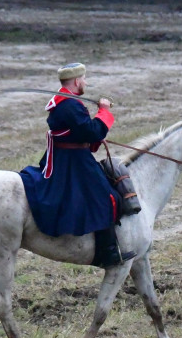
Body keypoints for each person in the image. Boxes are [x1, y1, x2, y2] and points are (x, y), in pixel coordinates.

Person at [19, 62, 135, 268]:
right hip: (72, 161)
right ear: (76, 81)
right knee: (106, 197)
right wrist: (104, 112)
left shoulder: (65, 101)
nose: (86, 83)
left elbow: (80, 131)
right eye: (84, 79)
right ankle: (107, 252)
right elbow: (91, 131)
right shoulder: (70, 104)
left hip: (69, 154)